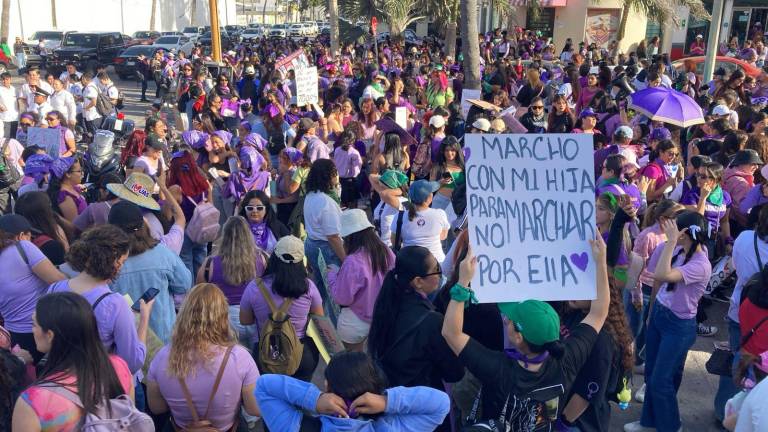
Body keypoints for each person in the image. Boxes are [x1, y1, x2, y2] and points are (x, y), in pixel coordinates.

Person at [441, 234, 610, 431]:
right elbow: (599, 312)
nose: (506, 320)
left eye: (510, 320)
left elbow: (450, 333)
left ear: (518, 337)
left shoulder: (498, 369)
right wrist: (600, 263)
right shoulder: (567, 360)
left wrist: (463, 282)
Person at [624, 211, 713, 432]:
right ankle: (649, 422)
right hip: (660, 316)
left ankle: (671, 426)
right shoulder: (680, 250)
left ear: (684, 233)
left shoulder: (701, 263)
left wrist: (671, 242)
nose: (669, 231)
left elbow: (663, 275)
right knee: (652, 374)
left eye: (675, 229)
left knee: (661, 381)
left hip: (678, 326)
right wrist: (651, 312)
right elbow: (657, 284)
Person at [367, 245, 463, 428]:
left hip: (391, 398)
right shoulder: (431, 321)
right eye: (437, 269)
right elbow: (454, 372)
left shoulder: (387, 305)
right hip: (422, 405)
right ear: (418, 281)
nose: (440, 273)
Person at [11, 292, 136, 432]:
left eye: (34, 324)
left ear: (50, 335)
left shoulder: (32, 402)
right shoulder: (119, 366)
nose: (32, 330)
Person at [146, 283, 260, 431]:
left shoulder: (162, 357)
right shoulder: (240, 357)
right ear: (223, 316)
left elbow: (157, 408)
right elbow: (254, 408)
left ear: (184, 314)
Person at [49, 225, 152, 376]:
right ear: (113, 261)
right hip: (97, 382)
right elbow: (131, 362)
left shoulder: (54, 289)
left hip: (61, 376)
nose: (122, 267)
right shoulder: (115, 304)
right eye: (122, 262)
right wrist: (144, 319)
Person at [255, 351, 450, 431]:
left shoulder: (296, 427)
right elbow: (441, 404)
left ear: (327, 385)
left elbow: (264, 386)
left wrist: (314, 399)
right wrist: (386, 402)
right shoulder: (390, 427)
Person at [239, 235, 323, 382]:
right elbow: (319, 319)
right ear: (300, 261)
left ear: (274, 258)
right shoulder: (308, 287)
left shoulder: (255, 286)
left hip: (266, 353)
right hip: (302, 354)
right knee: (299, 398)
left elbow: (245, 321)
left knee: (270, 399)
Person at [108, 200, 192, 344]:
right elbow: (184, 284)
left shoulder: (105, 261)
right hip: (163, 340)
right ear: (143, 225)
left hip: (125, 343)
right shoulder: (162, 253)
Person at [0, 214, 66, 363]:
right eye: (30, 236)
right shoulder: (23, 247)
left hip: (14, 337)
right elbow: (58, 281)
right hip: (42, 330)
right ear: (21, 236)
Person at [328, 209, 395, 351]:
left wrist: (332, 275)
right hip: (384, 316)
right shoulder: (386, 250)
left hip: (357, 321)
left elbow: (342, 298)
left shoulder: (352, 261)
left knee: (356, 364)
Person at [391, 180, 449, 263]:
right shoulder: (440, 214)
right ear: (430, 197)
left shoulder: (399, 216)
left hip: (411, 264)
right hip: (437, 264)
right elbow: (443, 236)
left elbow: (394, 242)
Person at [14, 191, 70, 265]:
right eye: (49, 206)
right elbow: (67, 265)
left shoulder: (17, 238)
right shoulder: (50, 245)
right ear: (45, 212)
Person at [237, 189, 289, 255]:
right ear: (245, 210)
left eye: (259, 208)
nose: (255, 211)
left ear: (266, 209)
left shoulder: (277, 226)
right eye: (250, 208)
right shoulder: (238, 228)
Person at [47, 156, 85, 224]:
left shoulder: (73, 188)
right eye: (79, 171)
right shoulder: (65, 197)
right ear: (68, 174)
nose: (82, 174)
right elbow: (74, 226)